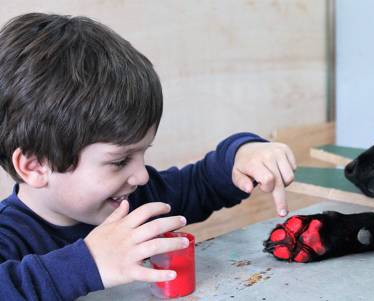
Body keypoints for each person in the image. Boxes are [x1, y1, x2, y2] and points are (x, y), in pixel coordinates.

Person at [0, 13, 297, 300]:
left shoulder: (136, 199)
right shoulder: (9, 236)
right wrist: (88, 263)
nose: (141, 175)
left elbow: (202, 182)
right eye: (119, 161)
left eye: (143, 152)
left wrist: (241, 154)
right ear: (36, 166)